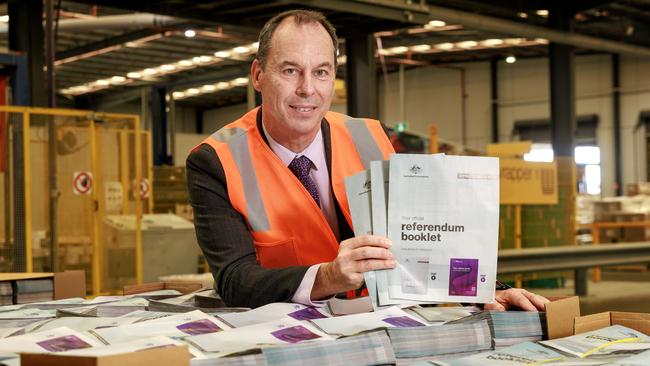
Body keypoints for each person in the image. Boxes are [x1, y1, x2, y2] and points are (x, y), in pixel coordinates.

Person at [187, 9, 549, 311]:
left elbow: (427, 240)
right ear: (258, 75)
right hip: (288, 331)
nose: (307, 89)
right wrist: (328, 276)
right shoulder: (216, 161)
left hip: (377, 322)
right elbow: (235, 280)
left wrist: (486, 289)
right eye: (289, 70)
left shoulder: (370, 138)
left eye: (321, 72)